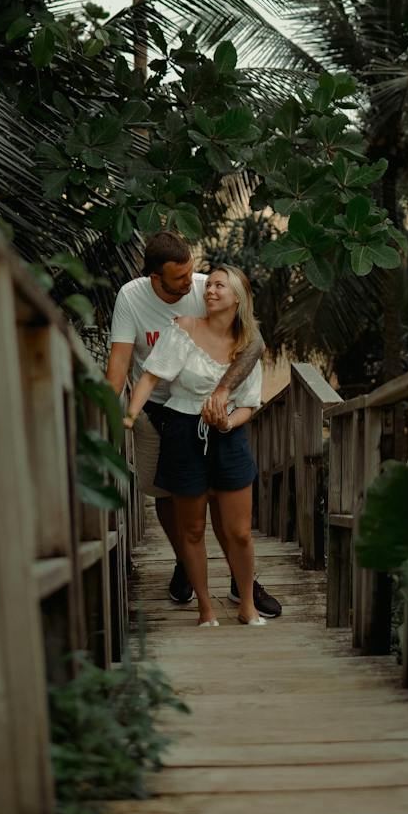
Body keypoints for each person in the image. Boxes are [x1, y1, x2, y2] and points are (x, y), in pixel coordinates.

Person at [104, 231, 282, 618]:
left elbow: (251, 342)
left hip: (216, 414)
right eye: (180, 279)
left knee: (228, 508)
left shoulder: (208, 286)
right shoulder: (133, 299)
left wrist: (222, 396)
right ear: (156, 278)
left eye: (193, 275)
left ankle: (242, 583)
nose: (193, 284)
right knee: (166, 493)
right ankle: (188, 566)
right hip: (160, 410)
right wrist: (117, 415)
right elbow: (121, 364)